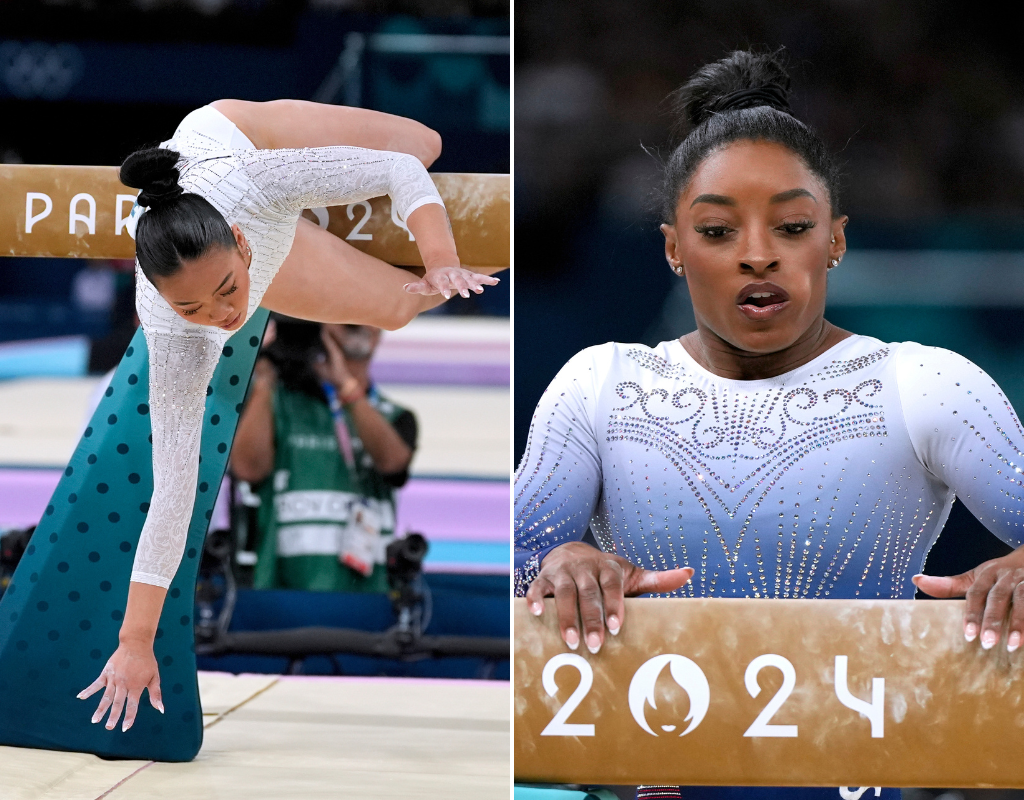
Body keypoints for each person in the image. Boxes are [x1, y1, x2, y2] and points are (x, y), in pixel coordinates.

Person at [514, 49, 1024, 800]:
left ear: (836, 240)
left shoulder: (924, 384)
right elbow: (498, 583)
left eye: (791, 226)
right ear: (673, 248)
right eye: (717, 232)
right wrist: (558, 562)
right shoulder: (602, 384)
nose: (758, 256)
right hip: (649, 781)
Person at [77, 100, 501, 733]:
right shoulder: (173, 326)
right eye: (194, 307)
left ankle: (322, 205)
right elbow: (173, 493)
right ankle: (319, 212)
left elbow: (400, 170)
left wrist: (440, 254)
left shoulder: (254, 184)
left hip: (242, 143)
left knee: (425, 143)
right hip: (256, 238)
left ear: (242, 245)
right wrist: (136, 639)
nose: (222, 317)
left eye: (226, 294)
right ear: (163, 299)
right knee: (396, 309)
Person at [230, 317, 416, 592]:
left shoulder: (396, 416)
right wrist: (265, 380)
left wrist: (346, 386)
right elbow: (247, 469)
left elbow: (393, 465)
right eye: (345, 317)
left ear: (380, 332)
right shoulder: (277, 404)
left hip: (370, 594)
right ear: (318, 329)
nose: (357, 323)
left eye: (366, 317)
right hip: (282, 592)